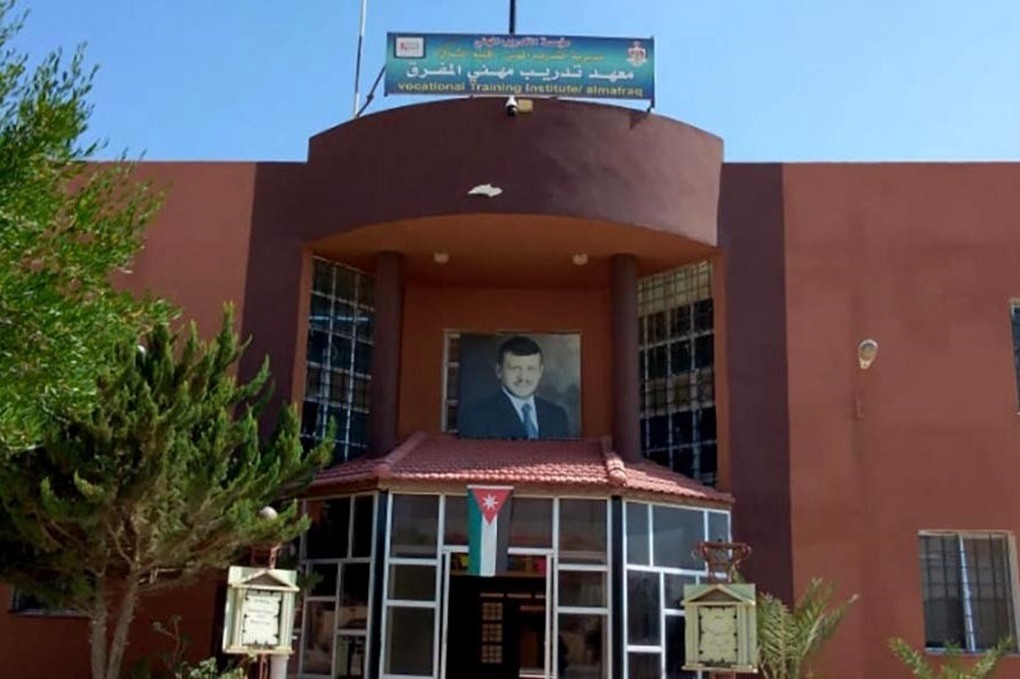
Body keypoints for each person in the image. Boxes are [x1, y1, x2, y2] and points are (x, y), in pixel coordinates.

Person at [458, 335, 570, 439]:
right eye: (515, 368)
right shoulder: (476, 416)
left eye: (531, 369)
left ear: (540, 372)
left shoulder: (557, 416)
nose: (523, 377)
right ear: (499, 371)